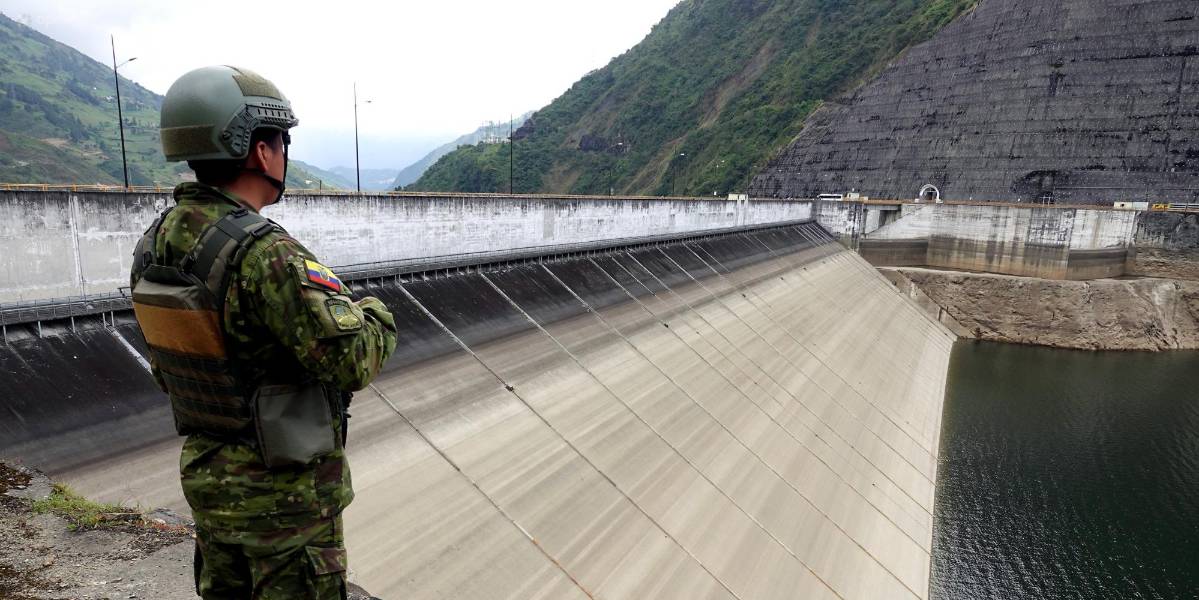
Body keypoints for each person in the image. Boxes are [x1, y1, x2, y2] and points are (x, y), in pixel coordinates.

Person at [129, 65, 396, 599]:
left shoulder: (156, 244)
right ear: (258, 150)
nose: (283, 152)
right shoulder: (266, 253)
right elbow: (351, 361)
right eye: (281, 139)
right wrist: (375, 315)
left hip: (214, 493)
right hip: (285, 509)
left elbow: (172, 370)